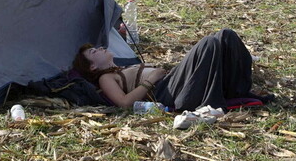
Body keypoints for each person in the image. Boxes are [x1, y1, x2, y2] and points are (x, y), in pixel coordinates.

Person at [73, 29, 268, 112]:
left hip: (172, 83)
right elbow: (124, 103)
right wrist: (150, 80)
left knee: (226, 35)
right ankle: (211, 102)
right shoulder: (106, 78)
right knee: (208, 43)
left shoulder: (122, 67)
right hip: (165, 93)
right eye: (94, 51)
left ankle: (238, 90)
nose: (100, 48)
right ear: (92, 66)